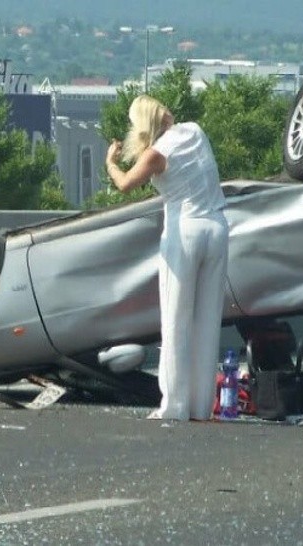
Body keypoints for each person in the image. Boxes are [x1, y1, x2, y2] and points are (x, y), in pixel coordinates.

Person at [105, 95, 229, 421]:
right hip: (217, 227)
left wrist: (111, 163)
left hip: (184, 231)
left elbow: (125, 185)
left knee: (176, 319)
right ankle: (202, 406)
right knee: (207, 320)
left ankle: (174, 406)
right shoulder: (194, 131)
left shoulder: (155, 155)